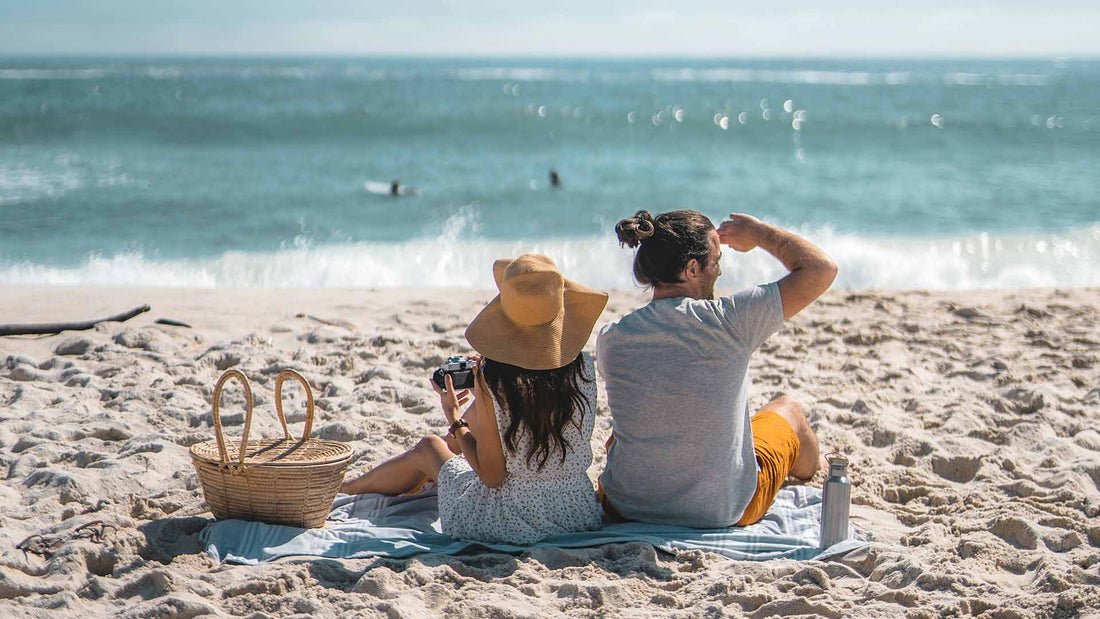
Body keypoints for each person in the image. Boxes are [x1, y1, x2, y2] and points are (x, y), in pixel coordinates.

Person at [340, 254, 609, 544]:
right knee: (459, 443)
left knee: (431, 447)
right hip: (576, 512)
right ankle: (367, 486)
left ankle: (347, 490)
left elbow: (492, 477)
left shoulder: (495, 379)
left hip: (512, 521)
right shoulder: (583, 366)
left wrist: (455, 417)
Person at [596, 210, 838, 528]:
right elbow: (821, 269)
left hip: (625, 505)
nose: (720, 270)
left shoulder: (612, 337)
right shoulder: (730, 321)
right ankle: (812, 467)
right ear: (692, 268)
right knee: (788, 410)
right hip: (720, 510)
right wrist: (761, 233)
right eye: (716, 259)